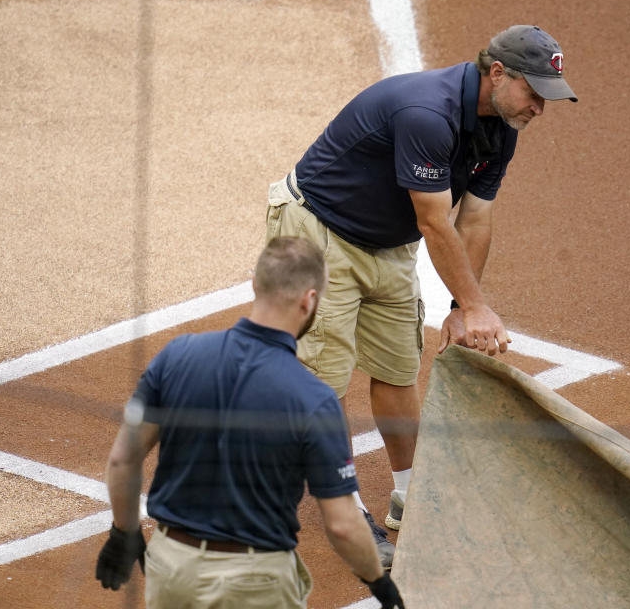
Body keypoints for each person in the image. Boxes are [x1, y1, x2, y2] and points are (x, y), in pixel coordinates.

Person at [265, 25, 578, 562]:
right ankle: (344, 514)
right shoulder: (426, 113)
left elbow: (474, 217)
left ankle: (413, 495)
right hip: (318, 234)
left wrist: (462, 307)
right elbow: (435, 221)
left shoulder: (502, 126)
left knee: (397, 368)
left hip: (387, 245)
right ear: (498, 73)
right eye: (535, 94)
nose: (539, 110)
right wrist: (478, 306)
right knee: (325, 377)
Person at [95, 236, 404, 608]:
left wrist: (124, 533)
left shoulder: (176, 356)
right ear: (309, 300)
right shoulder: (314, 398)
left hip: (171, 568)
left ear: (256, 284)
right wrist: (380, 586)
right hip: (256, 583)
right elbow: (341, 525)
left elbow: (122, 460)